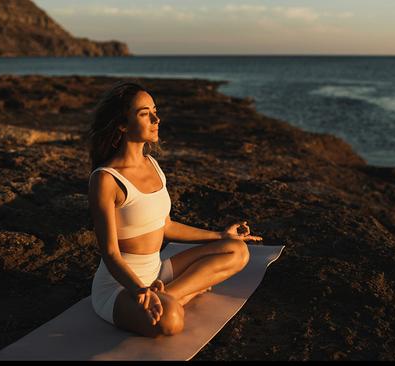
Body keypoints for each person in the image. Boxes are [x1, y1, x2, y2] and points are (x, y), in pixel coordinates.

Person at [86, 81, 263, 338]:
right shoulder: (105, 179)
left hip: (157, 271)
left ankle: (169, 295)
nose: (157, 119)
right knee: (171, 321)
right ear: (122, 125)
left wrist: (221, 236)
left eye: (155, 110)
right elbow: (111, 253)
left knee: (238, 251)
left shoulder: (153, 165)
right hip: (119, 286)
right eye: (145, 114)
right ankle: (180, 296)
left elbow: (166, 226)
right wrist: (140, 291)